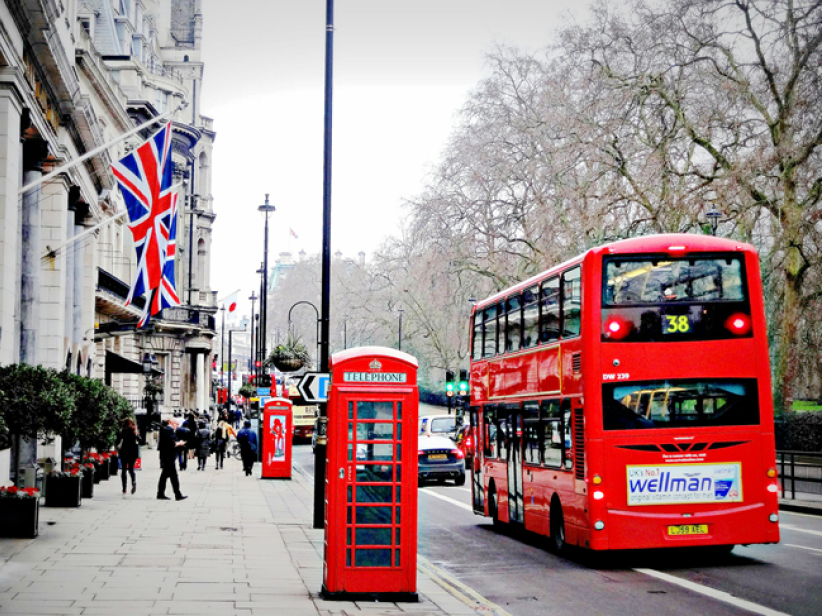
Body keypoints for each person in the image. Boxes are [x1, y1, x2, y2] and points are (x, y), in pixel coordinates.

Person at [156, 419, 188, 501]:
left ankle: (160, 493)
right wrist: (179, 443)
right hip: (169, 457)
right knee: (173, 476)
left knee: (164, 476)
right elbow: (170, 443)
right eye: (176, 424)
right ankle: (177, 494)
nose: (177, 426)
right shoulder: (168, 430)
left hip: (167, 457)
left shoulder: (167, 430)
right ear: (171, 423)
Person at [116, 417, 140, 495]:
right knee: (131, 469)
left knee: (123, 470)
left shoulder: (122, 431)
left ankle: (124, 488)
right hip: (133, 452)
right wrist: (136, 433)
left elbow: (117, 441)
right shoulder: (134, 431)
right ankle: (133, 481)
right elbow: (141, 441)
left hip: (124, 452)